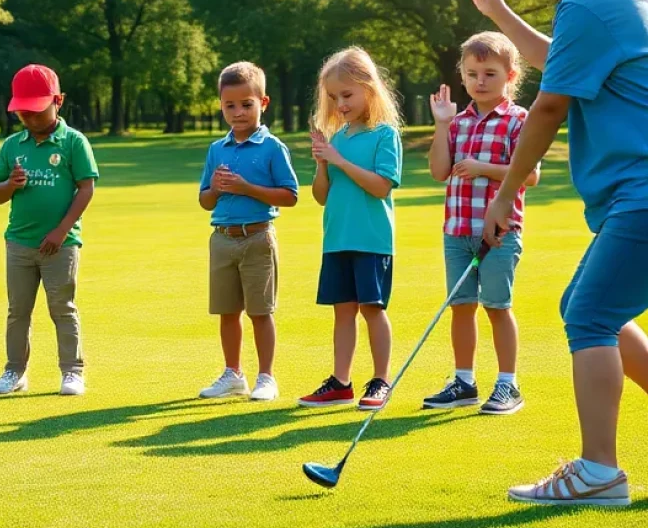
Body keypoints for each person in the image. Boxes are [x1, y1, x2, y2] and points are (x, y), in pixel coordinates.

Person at [459, 0, 648, 507]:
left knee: (589, 315)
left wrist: (502, 194)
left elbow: (548, 106)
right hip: (635, 192)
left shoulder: (590, 2)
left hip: (641, 191)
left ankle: (600, 473)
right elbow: (564, 60)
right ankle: (600, 471)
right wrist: (501, 17)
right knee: (595, 310)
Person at [423, 34, 540, 415]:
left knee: (496, 306)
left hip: (499, 233)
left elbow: (531, 175)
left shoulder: (519, 120)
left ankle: (508, 384)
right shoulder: (456, 124)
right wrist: (441, 125)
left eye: (490, 73)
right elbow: (440, 170)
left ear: (510, 75)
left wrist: (481, 169)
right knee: (461, 306)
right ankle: (464, 381)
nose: (480, 81)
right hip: (457, 231)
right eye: (472, 74)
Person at [299, 47, 403, 411]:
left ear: (369, 89)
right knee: (342, 311)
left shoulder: (384, 135)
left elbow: (381, 187)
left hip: (371, 239)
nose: (340, 104)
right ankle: (341, 382)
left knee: (372, 308)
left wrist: (339, 160)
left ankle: (380, 381)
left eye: (347, 95)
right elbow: (321, 196)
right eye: (333, 97)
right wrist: (323, 163)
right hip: (337, 239)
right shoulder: (338, 137)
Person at [0, 65, 98, 397]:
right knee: (17, 311)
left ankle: (72, 372)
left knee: (62, 308)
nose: (30, 118)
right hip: (19, 242)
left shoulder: (73, 142)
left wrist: (61, 231)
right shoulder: (12, 145)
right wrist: (11, 183)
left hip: (60, 245)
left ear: (58, 101)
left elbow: (86, 188)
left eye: (36, 110)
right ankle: (14, 372)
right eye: (23, 111)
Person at [197, 62, 298, 402]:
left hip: (257, 237)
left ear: (263, 103)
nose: (238, 112)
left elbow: (289, 195)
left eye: (246, 104)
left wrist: (246, 187)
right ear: (221, 105)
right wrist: (214, 187)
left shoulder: (272, 147)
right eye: (230, 106)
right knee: (227, 311)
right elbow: (205, 201)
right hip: (223, 238)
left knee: (260, 311)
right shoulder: (217, 150)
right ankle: (232, 374)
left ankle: (266, 377)